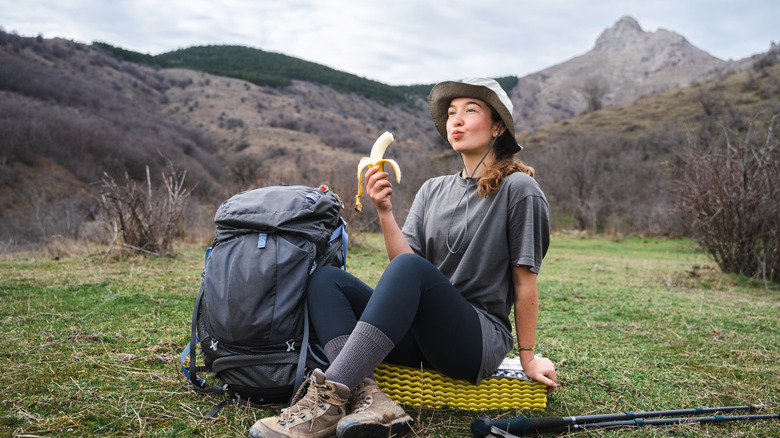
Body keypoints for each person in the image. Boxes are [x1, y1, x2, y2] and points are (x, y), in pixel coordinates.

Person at [249, 77, 558, 438]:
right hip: (419, 335)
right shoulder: (433, 189)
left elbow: (525, 283)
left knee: (411, 269)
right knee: (325, 278)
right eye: (451, 113)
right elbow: (405, 263)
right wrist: (384, 211)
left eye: (470, 111)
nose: (455, 120)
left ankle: (326, 400)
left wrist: (528, 357)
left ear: (498, 127)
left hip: (473, 340)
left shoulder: (520, 190)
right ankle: (368, 396)